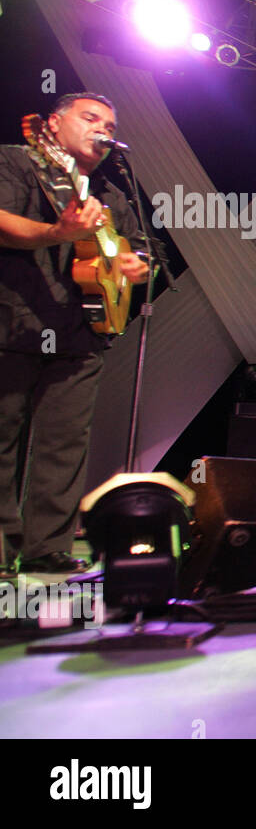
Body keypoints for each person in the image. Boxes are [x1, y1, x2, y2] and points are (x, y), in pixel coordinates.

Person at [1, 93, 152, 574]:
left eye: (109, 124)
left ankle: (47, 548)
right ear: (54, 122)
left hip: (82, 332)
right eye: (90, 118)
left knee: (64, 443)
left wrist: (136, 265)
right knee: (2, 437)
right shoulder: (18, 162)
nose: (103, 131)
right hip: (14, 320)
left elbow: (150, 254)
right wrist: (56, 233)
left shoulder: (110, 195)